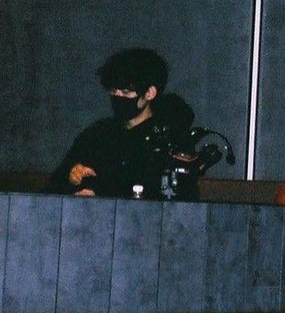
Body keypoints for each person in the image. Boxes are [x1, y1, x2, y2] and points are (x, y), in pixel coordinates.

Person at [49, 47, 196, 199]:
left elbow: (178, 194)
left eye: (126, 92)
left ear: (150, 93)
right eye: (113, 91)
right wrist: (72, 175)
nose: (118, 97)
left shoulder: (170, 140)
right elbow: (53, 186)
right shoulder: (97, 135)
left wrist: (101, 192)